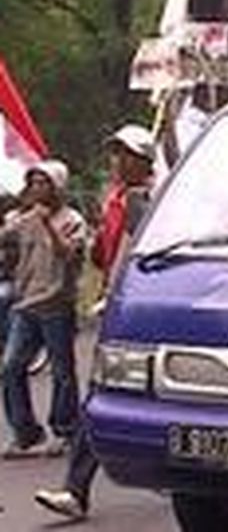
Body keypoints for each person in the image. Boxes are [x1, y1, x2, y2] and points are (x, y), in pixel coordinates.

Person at [34, 125, 157, 520]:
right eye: (115, 153)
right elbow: (104, 256)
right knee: (111, 394)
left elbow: (138, 253)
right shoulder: (117, 199)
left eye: (125, 154)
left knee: (106, 394)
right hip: (119, 304)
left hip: (140, 306)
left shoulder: (151, 199)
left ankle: (78, 488)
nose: (116, 161)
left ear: (144, 160)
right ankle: (78, 488)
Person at [0, 160, 88, 459]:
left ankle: (65, 429)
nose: (38, 188)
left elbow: (68, 252)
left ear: (57, 186)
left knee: (62, 372)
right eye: (34, 182)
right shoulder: (23, 218)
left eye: (44, 183)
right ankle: (25, 432)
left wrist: (47, 223)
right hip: (25, 304)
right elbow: (5, 238)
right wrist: (19, 213)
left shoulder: (72, 220)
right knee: (11, 367)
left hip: (57, 305)